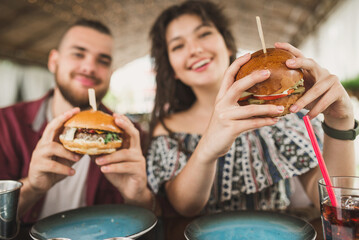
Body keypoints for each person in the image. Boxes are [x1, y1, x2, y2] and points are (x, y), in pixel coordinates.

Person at [146, 0, 356, 217]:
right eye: (178, 46)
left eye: (204, 34)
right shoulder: (167, 130)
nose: (195, 49)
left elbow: (332, 200)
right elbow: (185, 206)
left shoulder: (284, 111)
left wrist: (340, 122)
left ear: (227, 45)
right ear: (172, 69)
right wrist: (206, 149)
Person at [0, 19, 154, 224]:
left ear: (111, 72)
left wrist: (139, 197)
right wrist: (32, 187)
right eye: (78, 54)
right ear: (54, 61)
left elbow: (158, 223)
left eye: (103, 60)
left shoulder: (130, 137)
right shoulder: (6, 124)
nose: (89, 67)